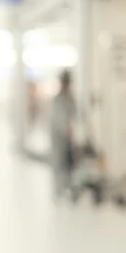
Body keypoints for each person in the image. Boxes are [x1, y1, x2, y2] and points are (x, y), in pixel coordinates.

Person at [50, 70, 77, 200]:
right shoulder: (57, 100)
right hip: (58, 138)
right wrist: (66, 129)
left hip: (69, 138)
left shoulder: (71, 99)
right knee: (58, 162)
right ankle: (58, 190)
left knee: (70, 164)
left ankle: (69, 187)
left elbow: (76, 115)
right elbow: (58, 119)